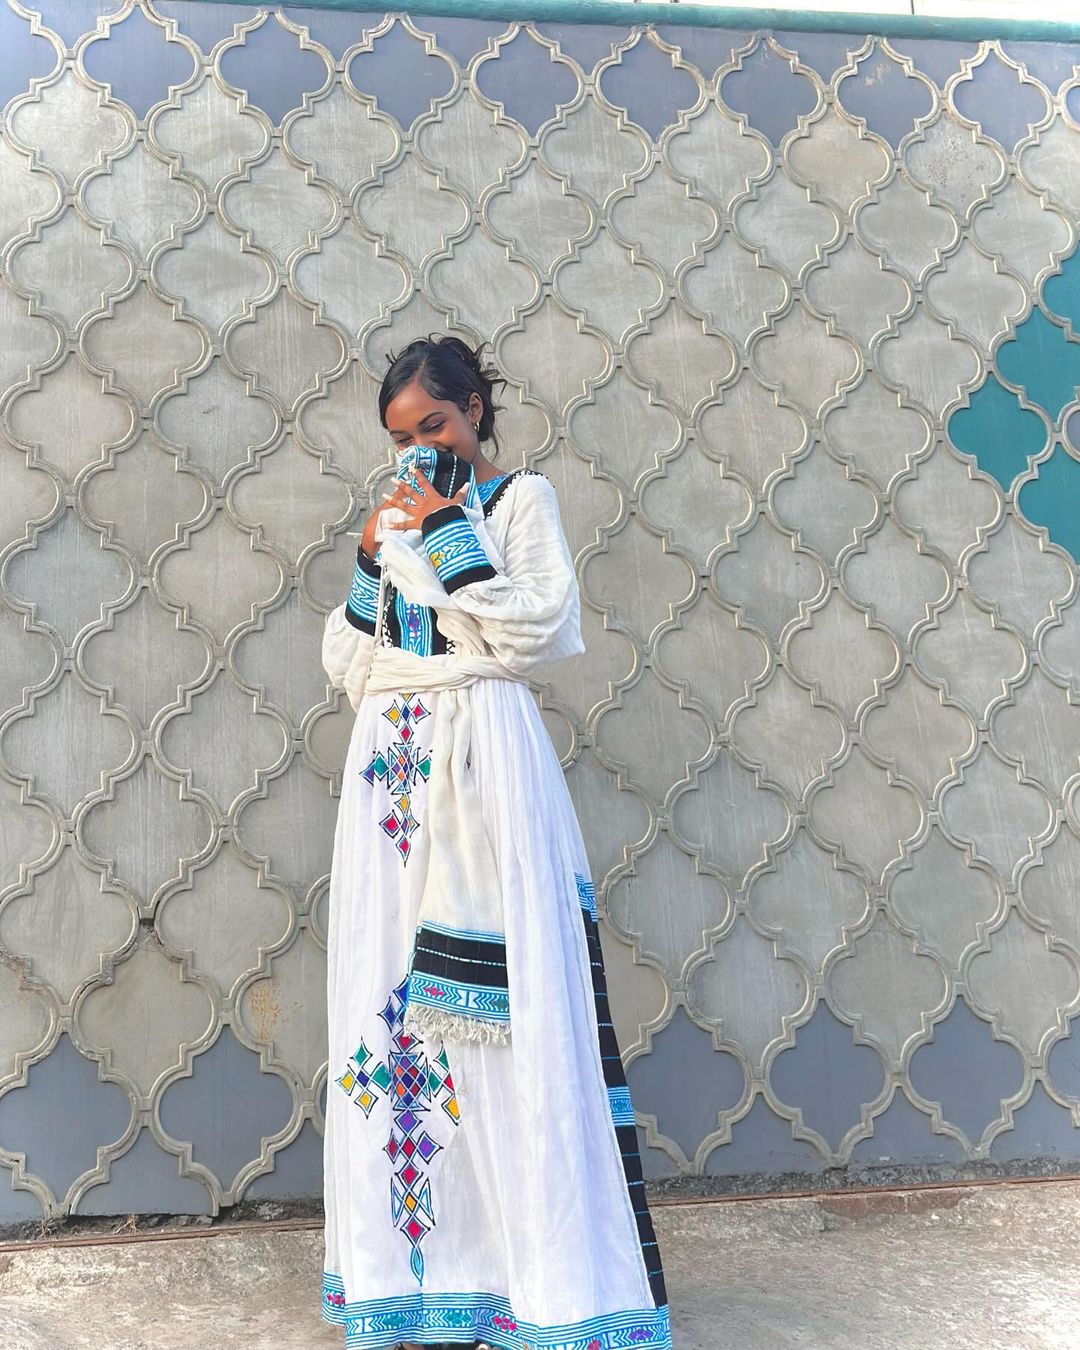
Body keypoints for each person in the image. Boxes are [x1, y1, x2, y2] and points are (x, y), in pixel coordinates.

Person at [320, 335, 670, 1350]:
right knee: (393, 1015)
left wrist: (443, 535)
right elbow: (349, 662)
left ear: (474, 411)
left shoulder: (521, 503)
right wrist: (368, 558)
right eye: (401, 436)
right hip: (388, 779)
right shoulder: (392, 525)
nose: (421, 445)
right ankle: (420, 1283)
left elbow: (539, 629)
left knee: (511, 1016)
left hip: (486, 771)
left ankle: (544, 1285)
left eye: (434, 423)